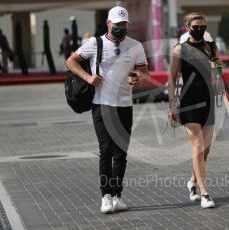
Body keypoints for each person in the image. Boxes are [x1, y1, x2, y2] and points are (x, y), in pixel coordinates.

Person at [66, 6, 149, 214]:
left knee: (121, 153)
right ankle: (105, 195)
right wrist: (88, 78)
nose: (121, 28)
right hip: (102, 103)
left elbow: (144, 72)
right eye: (117, 24)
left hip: (125, 105)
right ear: (109, 23)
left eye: (124, 24)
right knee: (106, 150)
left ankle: (117, 195)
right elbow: (71, 61)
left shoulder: (136, 46)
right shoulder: (95, 43)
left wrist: (140, 78)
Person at [169, 12, 218, 209]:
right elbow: (172, 79)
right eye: (195, 27)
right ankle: (204, 192)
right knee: (197, 147)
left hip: (209, 99)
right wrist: (172, 103)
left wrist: (218, 69)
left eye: (202, 27)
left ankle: (192, 180)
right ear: (187, 27)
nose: (199, 30)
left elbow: (216, 74)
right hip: (188, 102)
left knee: (205, 150)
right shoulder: (180, 50)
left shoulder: (211, 47)